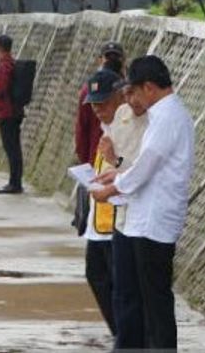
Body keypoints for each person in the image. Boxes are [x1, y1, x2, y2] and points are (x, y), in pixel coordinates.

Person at [92, 55, 195, 350]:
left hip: (155, 221)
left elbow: (146, 165)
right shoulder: (165, 115)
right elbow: (142, 168)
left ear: (148, 88)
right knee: (147, 299)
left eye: (133, 91)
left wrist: (112, 188)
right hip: (146, 217)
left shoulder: (167, 117)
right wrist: (116, 176)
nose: (130, 99)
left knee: (156, 302)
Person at [81, 68, 130, 335]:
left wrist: (114, 160)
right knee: (97, 277)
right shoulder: (105, 128)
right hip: (98, 223)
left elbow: (135, 171)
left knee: (121, 288)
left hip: (118, 224)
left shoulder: (129, 128)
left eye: (103, 103)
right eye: (94, 104)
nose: (98, 109)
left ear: (120, 97)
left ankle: (126, 337)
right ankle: (119, 334)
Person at [76, 42, 127, 165]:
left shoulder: (128, 93)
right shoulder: (88, 90)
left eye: (116, 57)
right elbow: (82, 128)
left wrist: (115, 162)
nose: (98, 110)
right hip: (97, 160)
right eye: (108, 57)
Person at [0, 34, 23, 194]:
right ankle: (16, 181)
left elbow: (1, 89)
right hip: (16, 111)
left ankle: (14, 183)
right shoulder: (12, 63)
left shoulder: (3, 66)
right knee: (15, 148)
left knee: (11, 148)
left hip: (7, 113)